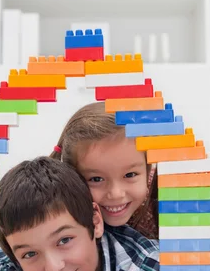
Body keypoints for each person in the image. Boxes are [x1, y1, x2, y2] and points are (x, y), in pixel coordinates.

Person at [0, 156, 160, 271]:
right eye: (30, 254)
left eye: (64, 240)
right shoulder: (13, 263)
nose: (53, 268)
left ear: (95, 222)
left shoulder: (137, 259)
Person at [49, 101, 159, 240]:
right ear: (71, 178)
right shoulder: (57, 214)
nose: (116, 194)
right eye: (96, 179)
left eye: (130, 175)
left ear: (148, 170)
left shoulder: (166, 203)